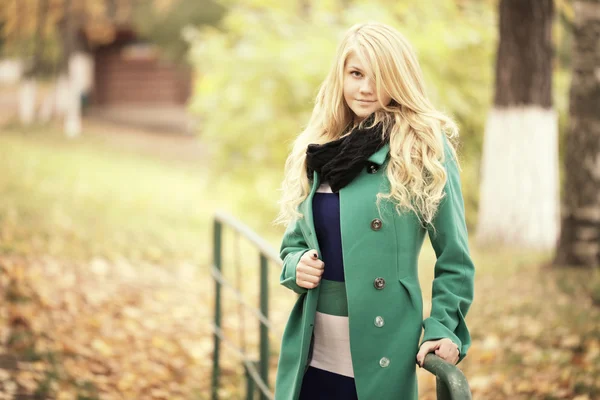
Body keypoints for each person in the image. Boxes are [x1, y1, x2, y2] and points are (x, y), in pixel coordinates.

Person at [273, 21, 475, 400]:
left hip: (382, 346)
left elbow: (455, 258)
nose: (366, 88)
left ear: (399, 79)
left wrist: (443, 327)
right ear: (341, 76)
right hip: (312, 349)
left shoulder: (423, 147)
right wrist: (296, 266)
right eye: (356, 73)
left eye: (379, 76)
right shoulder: (320, 145)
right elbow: (292, 246)